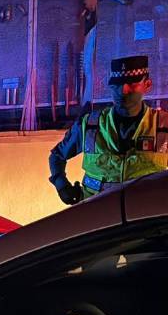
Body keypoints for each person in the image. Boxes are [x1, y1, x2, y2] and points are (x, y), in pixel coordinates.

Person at [49, 55, 168, 205]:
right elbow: (57, 156)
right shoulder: (90, 124)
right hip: (96, 210)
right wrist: (62, 185)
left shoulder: (163, 125)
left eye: (132, 84)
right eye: (117, 85)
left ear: (147, 85)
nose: (123, 91)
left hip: (143, 214)